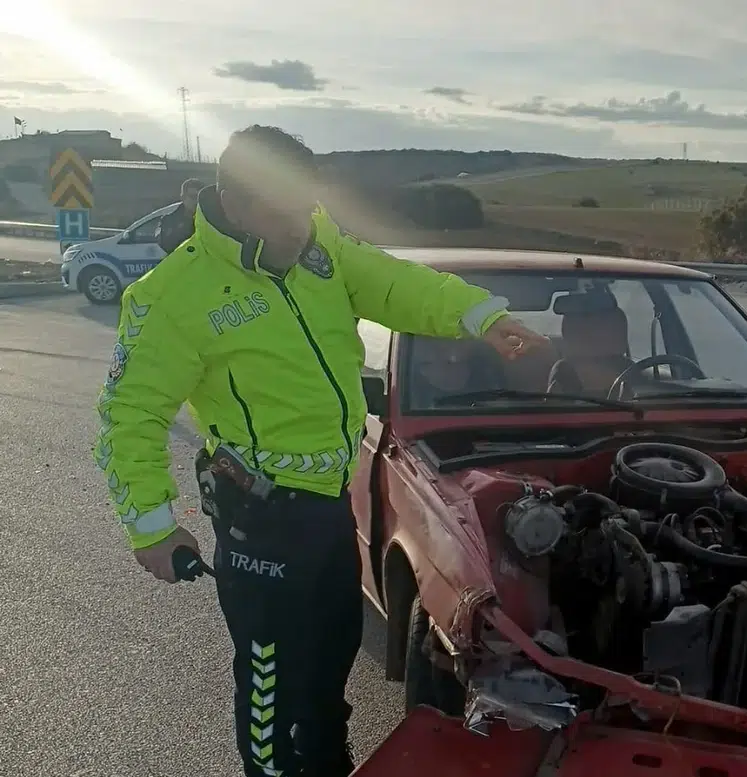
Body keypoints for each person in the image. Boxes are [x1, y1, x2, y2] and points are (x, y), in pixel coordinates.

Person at [92, 124, 548, 777]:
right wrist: (152, 526)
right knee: (271, 684)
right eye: (283, 212)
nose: (299, 227)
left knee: (331, 658)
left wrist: (482, 316)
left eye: (305, 206)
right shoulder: (171, 297)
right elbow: (128, 415)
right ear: (233, 201)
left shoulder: (318, 246)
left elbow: (395, 284)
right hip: (261, 520)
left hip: (331, 507)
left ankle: (327, 762)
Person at [157, 177, 205, 254]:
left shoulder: (210, 220)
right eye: (193, 197)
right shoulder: (169, 220)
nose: (196, 201)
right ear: (183, 197)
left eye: (199, 198)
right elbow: (166, 245)